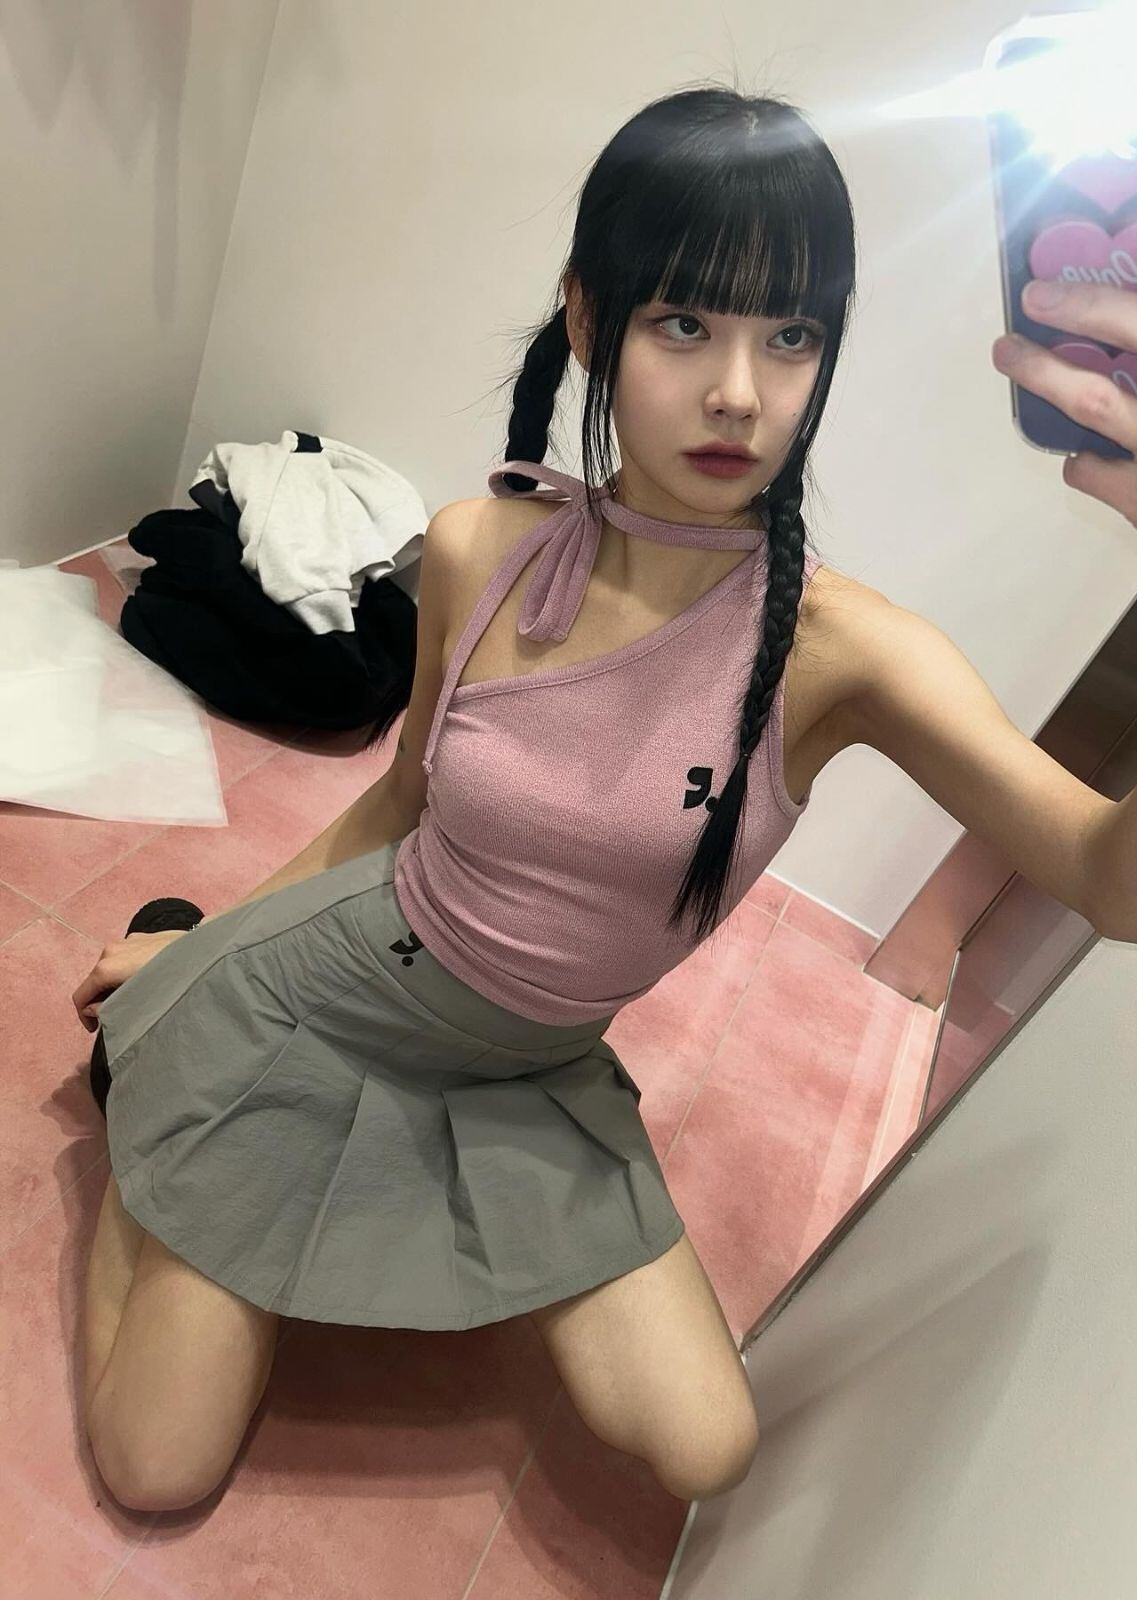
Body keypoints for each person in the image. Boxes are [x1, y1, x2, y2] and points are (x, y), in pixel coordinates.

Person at [74, 82, 856, 1516]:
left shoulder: (841, 649)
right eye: (685, 322)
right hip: (344, 985)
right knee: (155, 1466)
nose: (741, 392)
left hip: (529, 1063)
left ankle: (183, 1052)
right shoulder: (481, 547)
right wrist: (206, 960)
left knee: (706, 1445)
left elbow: (1132, 883)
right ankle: (164, 1114)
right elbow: (393, 806)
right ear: (590, 318)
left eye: (791, 334)